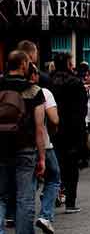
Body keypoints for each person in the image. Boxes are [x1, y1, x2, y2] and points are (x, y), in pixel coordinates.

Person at [0, 50, 46, 234]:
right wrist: (42, 157)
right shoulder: (33, 90)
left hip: (0, 147)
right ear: (23, 65)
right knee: (24, 198)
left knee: (1, 196)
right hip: (24, 147)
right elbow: (39, 128)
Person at [49, 52, 87, 216]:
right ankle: (70, 202)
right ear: (68, 64)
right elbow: (82, 109)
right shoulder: (76, 82)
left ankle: (56, 192)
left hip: (53, 129)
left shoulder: (49, 82)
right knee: (71, 166)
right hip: (72, 130)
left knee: (56, 164)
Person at [29, 65, 60, 234]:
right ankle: (45, 216)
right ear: (33, 75)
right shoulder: (43, 92)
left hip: (15, 146)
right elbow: (54, 120)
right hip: (43, 145)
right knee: (54, 178)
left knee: (23, 185)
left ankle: (13, 216)